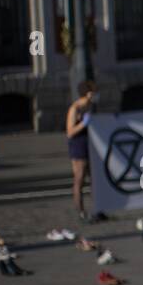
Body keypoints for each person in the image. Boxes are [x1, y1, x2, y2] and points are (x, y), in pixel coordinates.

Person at [65, 81, 98, 218]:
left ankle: (98, 209)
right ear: (87, 93)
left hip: (88, 144)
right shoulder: (75, 108)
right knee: (79, 178)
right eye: (93, 92)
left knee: (94, 178)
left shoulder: (89, 107)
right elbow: (70, 132)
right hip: (78, 145)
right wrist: (83, 124)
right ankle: (80, 211)